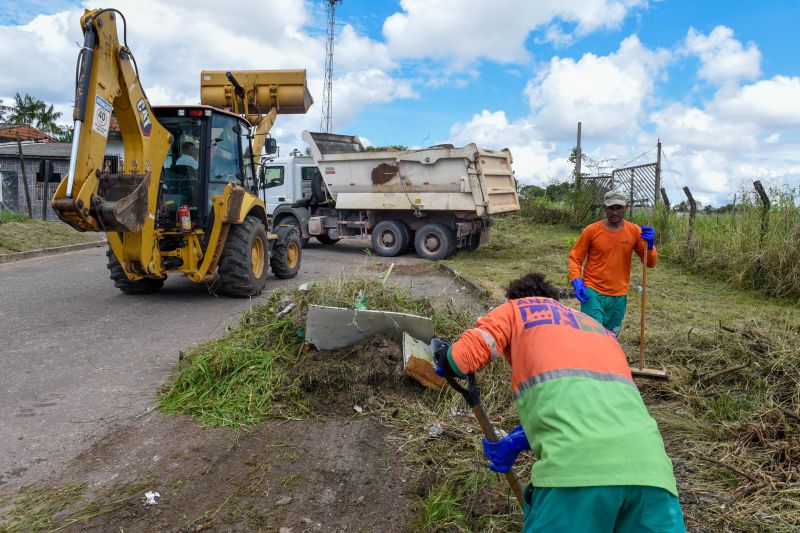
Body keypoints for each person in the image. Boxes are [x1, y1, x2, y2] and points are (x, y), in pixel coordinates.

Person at [431, 272, 685, 532]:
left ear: (516, 298)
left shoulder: (518, 309)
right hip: (654, 476)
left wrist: (443, 357)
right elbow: (590, 410)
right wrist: (517, 441)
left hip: (577, 478)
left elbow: (462, 359)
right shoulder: (600, 330)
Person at [568, 189, 656, 336]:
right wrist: (577, 281)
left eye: (619, 208)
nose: (615, 212)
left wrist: (651, 246)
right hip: (592, 291)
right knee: (594, 335)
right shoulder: (592, 230)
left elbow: (650, 263)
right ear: (604, 208)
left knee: (611, 337)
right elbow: (575, 258)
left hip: (619, 294)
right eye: (611, 208)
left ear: (626, 207)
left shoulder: (634, 231)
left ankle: (606, 359)